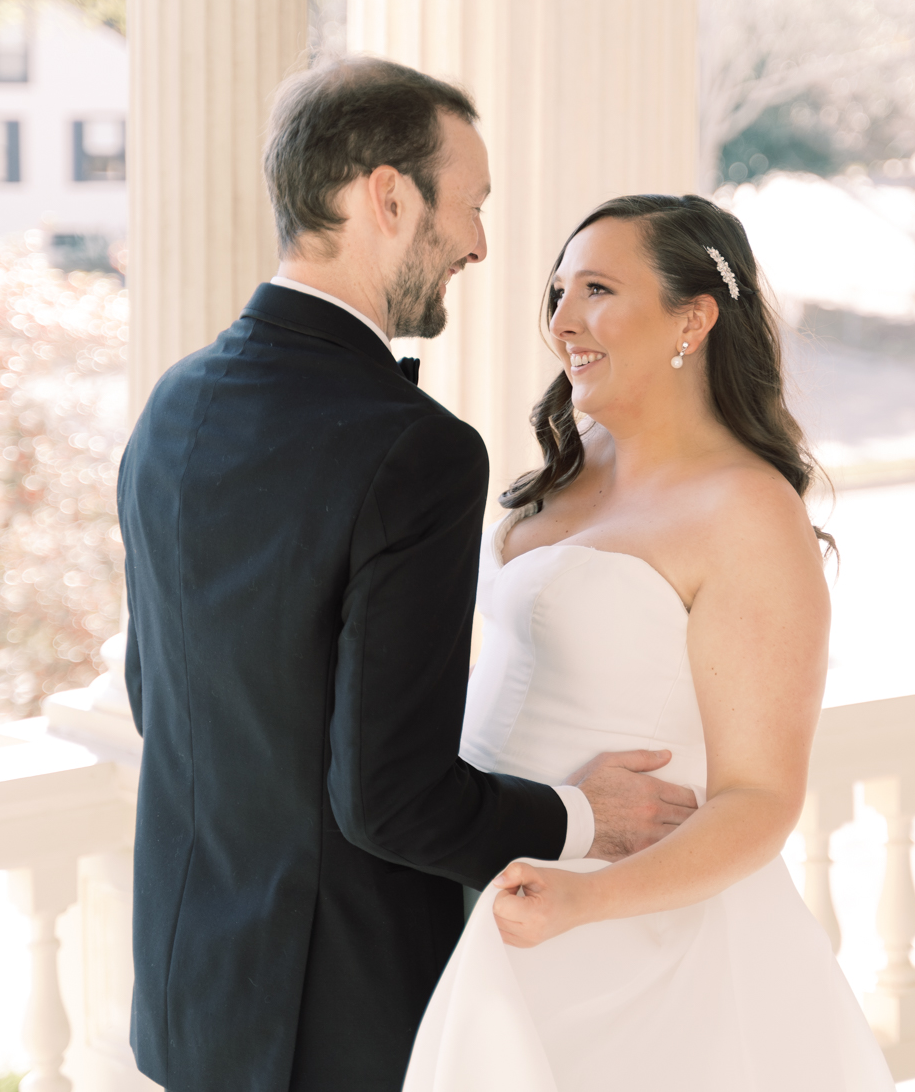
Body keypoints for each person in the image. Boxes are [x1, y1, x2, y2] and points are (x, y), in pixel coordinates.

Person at [117, 59, 698, 1092]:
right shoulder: (416, 451)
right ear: (388, 197)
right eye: (469, 207)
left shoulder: (176, 401)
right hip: (348, 1018)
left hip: (188, 996)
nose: (479, 245)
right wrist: (581, 814)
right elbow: (389, 800)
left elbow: (156, 700)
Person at [404, 195, 895, 1090]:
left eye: (597, 289)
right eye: (558, 291)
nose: (562, 321)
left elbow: (759, 799)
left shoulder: (746, 512)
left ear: (693, 318)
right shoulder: (566, 462)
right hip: (478, 883)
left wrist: (587, 898)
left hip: (623, 935)